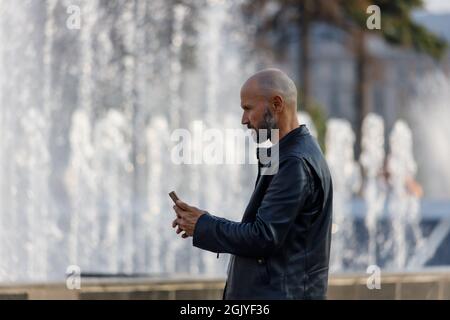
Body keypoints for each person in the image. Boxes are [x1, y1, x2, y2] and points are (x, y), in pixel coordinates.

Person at [172, 68, 333, 299]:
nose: (244, 120)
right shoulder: (287, 153)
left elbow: (263, 237)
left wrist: (203, 225)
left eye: (248, 108)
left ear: (277, 104)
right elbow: (263, 230)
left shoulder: (294, 162)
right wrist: (204, 221)